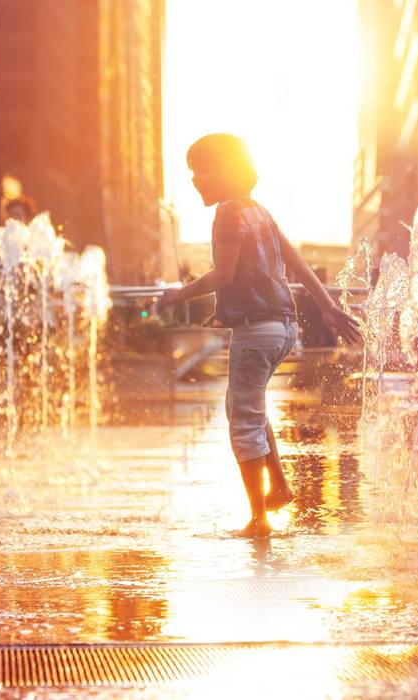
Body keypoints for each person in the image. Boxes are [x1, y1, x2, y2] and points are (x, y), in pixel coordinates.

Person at [158, 133, 361, 538]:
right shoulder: (259, 212)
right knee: (246, 406)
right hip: (284, 328)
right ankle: (279, 487)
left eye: (201, 171)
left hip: (256, 330)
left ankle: (259, 519)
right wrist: (327, 306)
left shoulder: (228, 214)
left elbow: (223, 276)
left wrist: (176, 295)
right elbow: (298, 263)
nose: (196, 180)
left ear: (223, 170)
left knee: (243, 420)